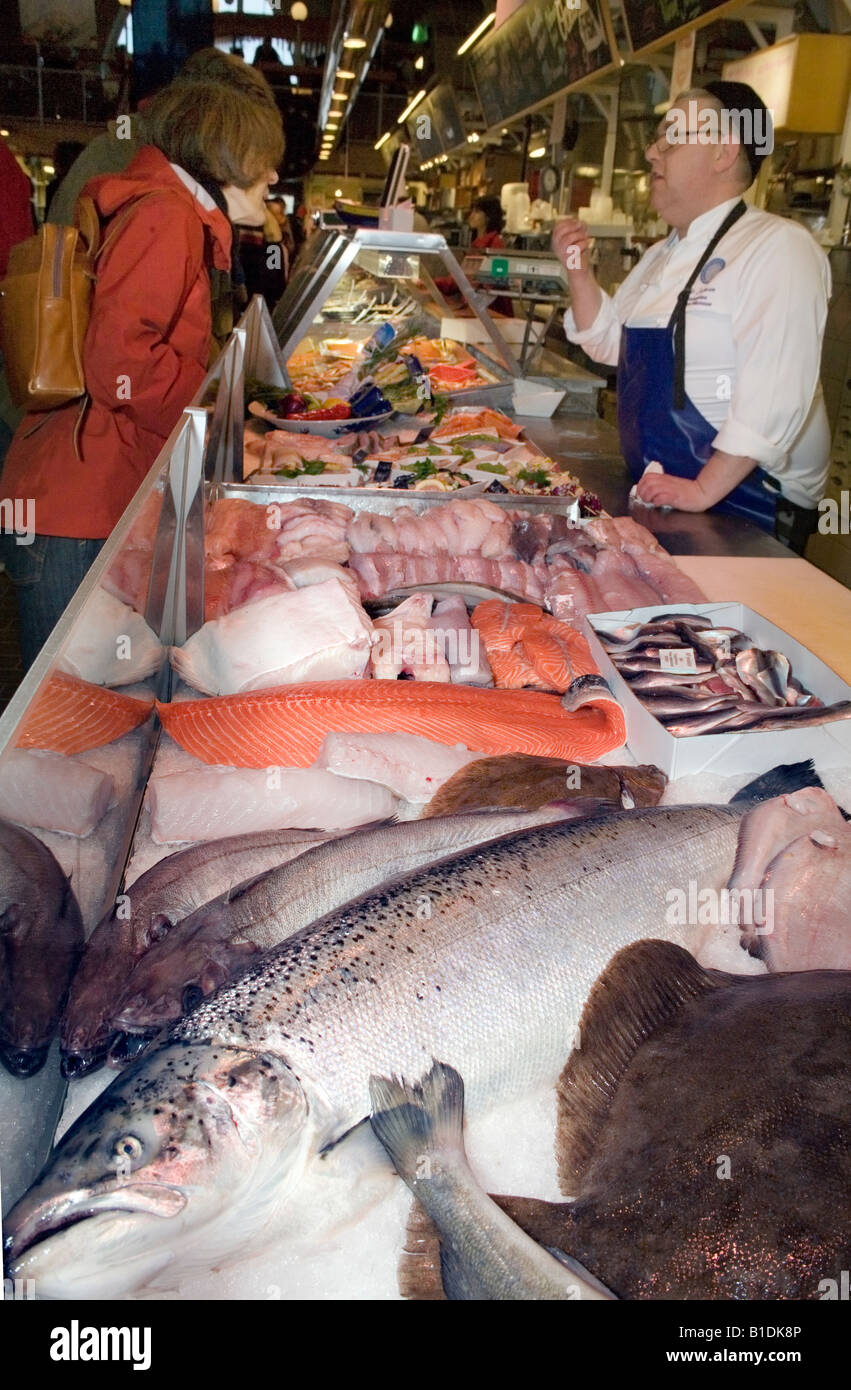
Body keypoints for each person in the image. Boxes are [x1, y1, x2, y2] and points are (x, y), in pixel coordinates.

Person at [0, 78, 283, 669]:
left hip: (86, 495)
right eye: (265, 162)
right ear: (224, 157)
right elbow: (120, 362)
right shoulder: (167, 217)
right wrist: (213, 421)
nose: (276, 177)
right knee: (68, 718)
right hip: (79, 506)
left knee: (94, 707)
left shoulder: (161, 208)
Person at [551, 82, 831, 553]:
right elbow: (609, 343)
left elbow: (776, 390)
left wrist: (705, 488)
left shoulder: (777, 246)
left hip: (746, 503)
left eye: (671, 138)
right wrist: (578, 270)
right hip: (669, 495)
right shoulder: (663, 253)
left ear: (724, 152)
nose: (652, 152)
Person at [435, 196, 513, 317]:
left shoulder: (495, 244)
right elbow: (460, 278)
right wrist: (433, 283)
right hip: (476, 309)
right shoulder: (477, 244)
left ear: (488, 216)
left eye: (477, 212)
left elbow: (499, 279)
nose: (471, 216)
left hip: (493, 313)